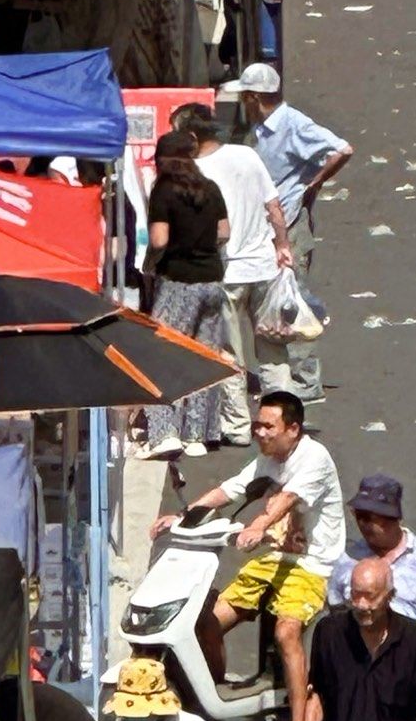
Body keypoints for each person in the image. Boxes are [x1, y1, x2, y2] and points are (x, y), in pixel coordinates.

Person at [158, 393, 344, 721]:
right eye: (257, 425)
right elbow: (229, 490)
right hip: (276, 559)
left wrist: (259, 525)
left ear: (293, 429)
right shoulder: (269, 458)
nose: (259, 432)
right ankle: (211, 700)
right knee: (205, 622)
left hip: (312, 565)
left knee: (287, 632)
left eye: (267, 426)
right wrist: (183, 516)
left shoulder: (313, 458)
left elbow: (287, 499)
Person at [237, 63, 351, 404]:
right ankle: (283, 373)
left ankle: (306, 381)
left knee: (293, 299)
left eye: (244, 98)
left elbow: (342, 149)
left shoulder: (292, 124)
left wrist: (312, 185)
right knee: (272, 299)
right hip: (267, 227)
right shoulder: (260, 130)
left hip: (290, 224)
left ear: (254, 98)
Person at [181, 105, 292, 445]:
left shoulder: (194, 170)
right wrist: (282, 245)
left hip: (227, 272)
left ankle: (239, 426)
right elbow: (274, 207)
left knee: (230, 353)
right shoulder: (246, 156)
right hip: (263, 266)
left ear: (191, 136)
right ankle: (283, 419)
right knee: (272, 347)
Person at [139, 129, 232, 458]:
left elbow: (160, 240)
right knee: (204, 356)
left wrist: (151, 263)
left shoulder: (164, 191)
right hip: (212, 282)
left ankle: (164, 432)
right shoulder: (210, 188)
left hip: (178, 281)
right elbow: (224, 233)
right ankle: (198, 434)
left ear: (164, 160)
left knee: (161, 353)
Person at [308, 555, 416, 721]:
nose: (361, 604)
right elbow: (316, 694)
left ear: (390, 595)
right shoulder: (329, 632)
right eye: (355, 594)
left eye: (370, 596)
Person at [328, 475, 416, 633]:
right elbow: (336, 607)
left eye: (367, 517)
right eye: (358, 516)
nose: (361, 523)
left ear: (391, 518)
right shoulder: (348, 559)